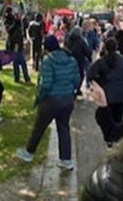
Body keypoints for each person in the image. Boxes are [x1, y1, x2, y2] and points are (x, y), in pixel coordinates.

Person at [15, 35, 80, 170]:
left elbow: (46, 84)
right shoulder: (71, 60)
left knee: (39, 127)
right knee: (64, 128)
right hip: (67, 100)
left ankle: (29, 152)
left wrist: (39, 97)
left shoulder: (48, 61)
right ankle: (66, 160)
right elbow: (76, 81)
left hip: (51, 100)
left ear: (47, 48)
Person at [89, 38, 123, 144]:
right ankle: (117, 137)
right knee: (118, 116)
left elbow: (91, 74)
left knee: (107, 117)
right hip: (122, 93)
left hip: (107, 94)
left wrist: (99, 83)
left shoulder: (101, 61)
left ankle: (109, 138)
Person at [6, 10, 30, 83]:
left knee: (15, 64)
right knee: (23, 64)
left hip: (12, 48)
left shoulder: (11, 29)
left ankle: (17, 78)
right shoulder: (18, 31)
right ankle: (26, 79)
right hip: (17, 49)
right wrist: (17, 48)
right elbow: (17, 40)